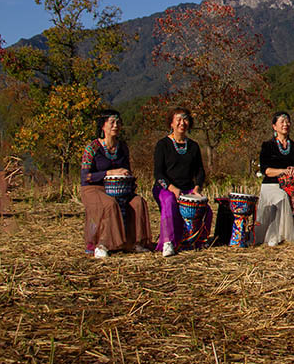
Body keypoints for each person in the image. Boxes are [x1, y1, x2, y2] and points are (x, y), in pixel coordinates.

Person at [79, 109, 151, 257]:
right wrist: (109, 173)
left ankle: (133, 242)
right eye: (112, 122)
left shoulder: (122, 147)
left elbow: (127, 170)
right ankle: (103, 244)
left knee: (138, 202)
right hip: (94, 189)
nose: (115, 125)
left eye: (118, 122)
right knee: (110, 204)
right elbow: (85, 177)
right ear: (103, 126)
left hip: (120, 189)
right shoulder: (92, 148)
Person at [255, 111, 294, 245]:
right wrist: (282, 171)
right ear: (274, 126)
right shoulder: (267, 146)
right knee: (281, 197)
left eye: (287, 122)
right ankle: (277, 235)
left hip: (293, 185)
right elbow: (265, 170)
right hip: (272, 185)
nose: (285, 124)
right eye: (282, 122)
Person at [152, 107, 209, 257]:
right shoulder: (162, 144)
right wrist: (172, 188)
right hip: (165, 188)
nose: (182, 123)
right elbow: (158, 173)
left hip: (187, 188)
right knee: (169, 201)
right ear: (171, 123)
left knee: (206, 208)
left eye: (185, 119)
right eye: (178, 119)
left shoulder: (193, 146)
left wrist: (197, 187)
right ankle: (168, 242)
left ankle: (198, 239)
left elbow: (200, 171)